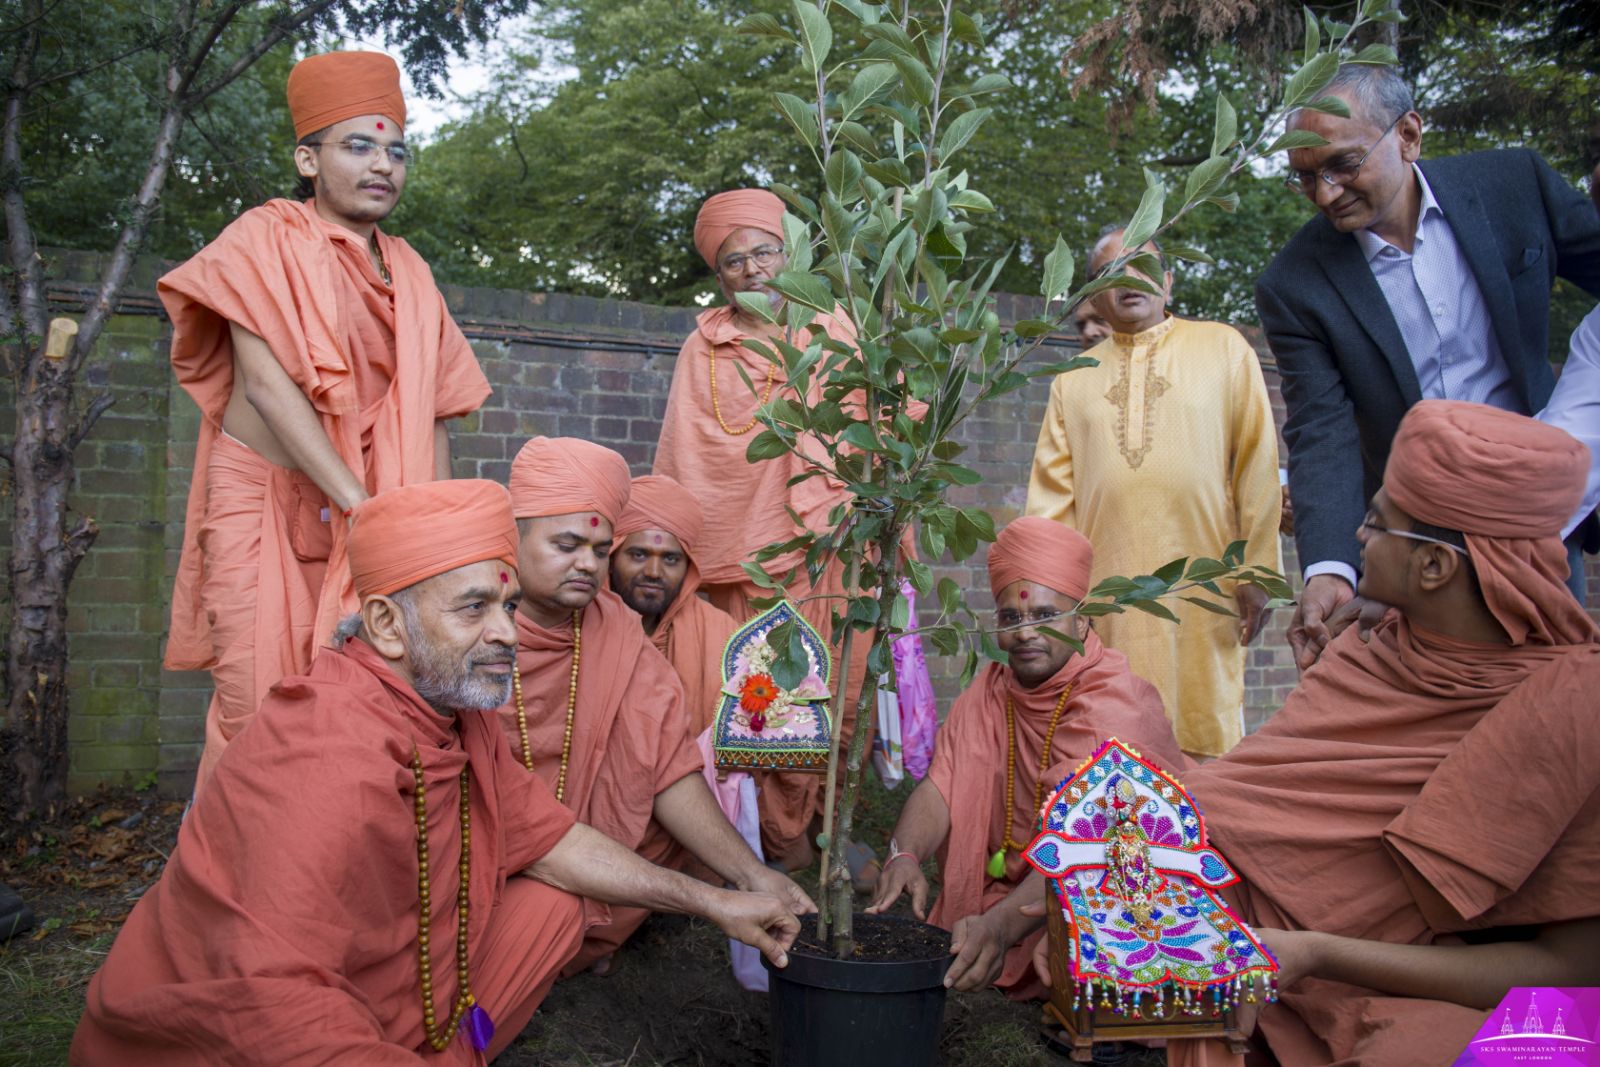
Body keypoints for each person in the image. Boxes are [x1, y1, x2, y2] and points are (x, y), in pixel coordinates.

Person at [71, 480, 798, 1065]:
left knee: (555, 904)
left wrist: (713, 898)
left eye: (508, 606)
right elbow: (273, 1003)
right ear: (387, 625)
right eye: (476, 608)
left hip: (399, 990)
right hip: (265, 1028)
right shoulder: (326, 750)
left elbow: (552, 839)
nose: (509, 633)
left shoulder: (451, 710)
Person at [1030, 402, 1600, 1066]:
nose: (1355, 536)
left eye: (1376, 522)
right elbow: (1233, 808)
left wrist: (1318, 952)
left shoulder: (1573, 707)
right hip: (1290, 952)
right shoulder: (1371, 645)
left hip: (1465, 990)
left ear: (1435, 569)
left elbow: (1571, 968)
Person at [160, 51, 493, 790]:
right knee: (257, 706)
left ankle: (339, 885)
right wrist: (363, 507)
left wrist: (431, 539)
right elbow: (268, 386)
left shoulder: (409, 270)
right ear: (307, 159)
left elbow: (434, 408)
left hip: (374, 515)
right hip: (267, 504)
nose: (383, 165)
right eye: (358, 146)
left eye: (396, 150)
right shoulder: (265, 237)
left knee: (374, 703)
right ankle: (235, 893)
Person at [1256, 63, 1600, 671]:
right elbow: (1321, 432)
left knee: (1548, 703)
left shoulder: (1514, 186)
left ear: (1409, 135)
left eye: (1343, 164)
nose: (1325, 194)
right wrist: (1330, 567)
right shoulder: (1294, 284)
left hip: (1536, 526)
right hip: (1412, 543)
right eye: (1305, 178)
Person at [502, 437, 813, 977]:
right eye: (567, 544)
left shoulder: (615, 633)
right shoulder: (472, 629)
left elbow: (669, 768)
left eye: (599, 552)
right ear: (515, 538)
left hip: (577, 860)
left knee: (550, 918)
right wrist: (712, 898)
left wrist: (751, 873)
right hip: (470, 861)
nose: (587, 565)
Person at [651, 188, 876, 873]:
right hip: (737, 559)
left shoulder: (837, 328)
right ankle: (759, 835)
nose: (751, 269)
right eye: (732, 261)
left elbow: (879, 425)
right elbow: (686, 452)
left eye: (763, 252)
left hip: (828, 548)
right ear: (719, 278)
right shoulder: (704, 347)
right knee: (754, 690)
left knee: (831, 684)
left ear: (791, 254)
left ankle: (818, 827)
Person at [866, 517, 1183, 1000]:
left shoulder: (1117, 707)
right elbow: (940, 786)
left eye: (1045, 615)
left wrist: (998, 926)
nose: (1025, 633)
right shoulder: (991, 689)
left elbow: (1092, 852)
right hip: (1017, 893)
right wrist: (904, 855)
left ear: (1082, 620)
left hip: (1104, 895)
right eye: (1012, 619)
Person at [1026, 227, 1282, 759]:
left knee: (1204, 744)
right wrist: (1051, 607)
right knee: (1108, 745)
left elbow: (1257, 465)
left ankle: (1202, 840)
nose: (1128, 280)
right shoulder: (1072, 382)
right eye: (1109, 272)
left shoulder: (1224, 349)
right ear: (1094, 294)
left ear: (1168, 280)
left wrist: (1258, 573)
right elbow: (1051, 508)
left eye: (1141, 265)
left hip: (1206, 592)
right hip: (1105, 605)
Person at [609, 474, 742, 733]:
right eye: (639, 554)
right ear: (612, 557)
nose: (654, 571)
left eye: (670, 559)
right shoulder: (580, 626)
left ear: (688, 567)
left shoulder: (721, 634)